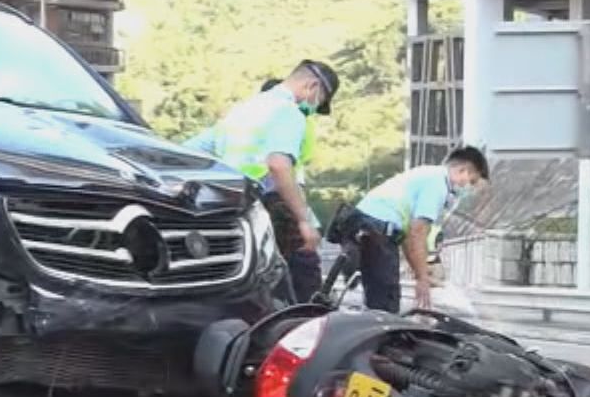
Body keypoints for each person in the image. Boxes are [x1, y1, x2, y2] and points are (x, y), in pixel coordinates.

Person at [186, 60, 338, 302]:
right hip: (271, 205)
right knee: (305, 287)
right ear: (312, 86)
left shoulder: (242, 111)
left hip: (231, 208)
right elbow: (278, 165)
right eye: (318, 101)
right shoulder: (288, 111)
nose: (313, 108)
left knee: (253, 288)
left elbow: (189, 151)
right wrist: (304, 219)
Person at [333, 146, 491, 314]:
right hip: (377, 229)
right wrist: (422, 279)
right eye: (472, 182)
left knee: (377, 299)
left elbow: (408, 237)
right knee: (385, 306)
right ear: (463, 171)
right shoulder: (438, 184)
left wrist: (419, 272)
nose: (468, 188)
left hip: (363, 224)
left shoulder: (428, 174)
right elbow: (417, 234)